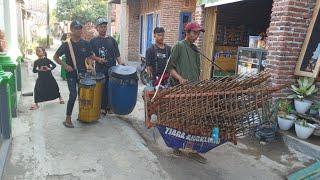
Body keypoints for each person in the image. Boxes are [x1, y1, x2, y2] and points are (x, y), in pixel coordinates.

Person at [166, 22, 207, 163]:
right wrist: (180, 78)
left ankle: (194, 150)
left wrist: (200, 83)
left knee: (194, 120)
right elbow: (169, 68)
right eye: (194, 33)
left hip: (194, 89)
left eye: (198, 34)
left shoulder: (195, 49)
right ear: (187, 33)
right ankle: (176, 146)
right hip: (180, 90)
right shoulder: (179, 46)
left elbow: (197, 70)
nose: (196, 36)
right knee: (180, 119)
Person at [53, 20, 93, 128]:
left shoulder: (85, 43)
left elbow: (89, 57)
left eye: (80, 28)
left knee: (82, 96)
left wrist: (90, 65)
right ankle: (68, 118)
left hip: (83, 74)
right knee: (73, 95)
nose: (79, 30)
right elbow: (55, 57)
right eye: (76, 28)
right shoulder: (67, 44)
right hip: (71, 74)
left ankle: (82, 115)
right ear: (71, 30)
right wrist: (65, 65)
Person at [90, 17, 124, 115]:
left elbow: (117, 54)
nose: (104, 29)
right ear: (97, 28)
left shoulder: (112, 40)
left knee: (111, 87)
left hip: (112, 69)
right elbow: (90, 55)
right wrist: (98, 59)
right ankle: (101, 107)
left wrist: (121, 64)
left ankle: (109, 107)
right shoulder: (93, 41)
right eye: (102, 27)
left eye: (105, 27)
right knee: (101, 88)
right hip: (100, 69)